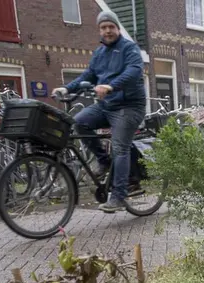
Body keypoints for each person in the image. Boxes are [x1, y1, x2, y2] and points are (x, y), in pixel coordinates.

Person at [52, 11, 146, 213]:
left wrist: (111, 86)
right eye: (103, 27)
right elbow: (88, 75)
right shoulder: (99, 53)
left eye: (111, 27)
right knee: (79, 122)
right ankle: (104, 161)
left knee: (120, 147)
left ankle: (119, 196)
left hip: (129, 106)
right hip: (107, 106)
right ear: (99, 30)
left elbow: (134, 71)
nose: (107, 31)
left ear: (117, 28)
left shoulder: (130, 49)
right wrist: (67, 88)